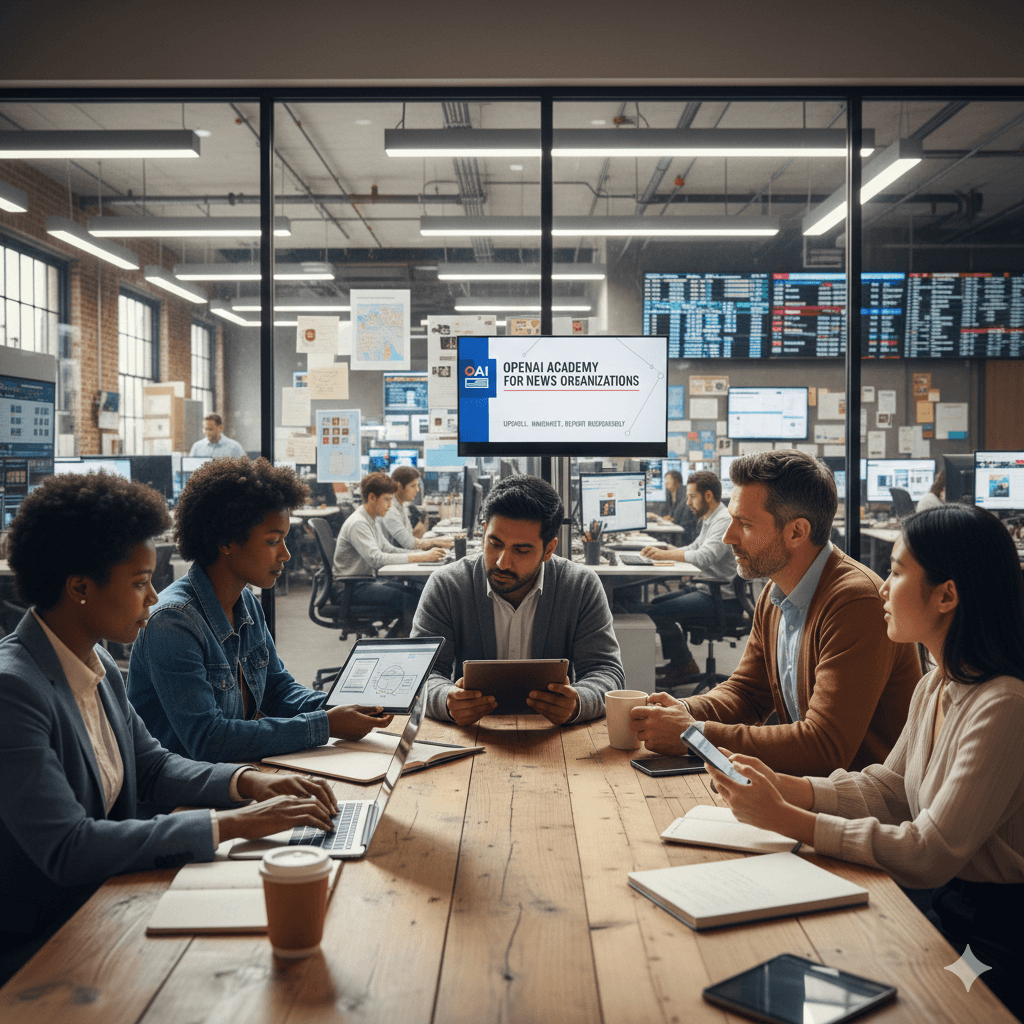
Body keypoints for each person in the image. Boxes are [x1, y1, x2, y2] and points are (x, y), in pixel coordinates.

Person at [0, 471, 338, 983]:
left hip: (112, 898)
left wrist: (249, 783)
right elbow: (69, 849)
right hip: (47, 941)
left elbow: (152, 766)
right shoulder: (14, 690)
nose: (154, 598)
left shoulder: (97, 665)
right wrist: (233, 823)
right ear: (80, 588)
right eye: (139, 583)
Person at [706, 504, 1024, 1019]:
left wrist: (788, 819)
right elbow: (890, 790)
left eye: (897, 572)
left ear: (947, 595)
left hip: (993, 939)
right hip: (948, 907)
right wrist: (786, 786)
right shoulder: (938, 683)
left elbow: (928, 852)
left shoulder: (1005, 705)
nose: (882, 586)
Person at [631, 450, 920, 776]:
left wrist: (694, 735)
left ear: (797, 532)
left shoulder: (855, 603)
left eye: (745, 525)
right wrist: (683, 710)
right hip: (810, 792)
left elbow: (824, 747)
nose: (729, 537)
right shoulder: (775, 591)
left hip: (860, 809)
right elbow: (747, 693)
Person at [128, 457, 391, 763]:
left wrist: (346, 704)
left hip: (237, 773)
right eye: (273, 541)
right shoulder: (173, 621)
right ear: (226, 541)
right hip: (185, 800)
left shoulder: (247, 602)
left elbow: (278, 692)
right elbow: (208, 739)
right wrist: (326, 724)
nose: (286, 554)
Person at [411, 474, 625, 726]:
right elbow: (421, 674)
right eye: (494, 543)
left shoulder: (581, 586)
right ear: (483, 532)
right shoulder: (447, 585)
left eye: (521, 550)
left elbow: (607, 672)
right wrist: (446, 700)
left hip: (553, 737)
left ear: (549, 549)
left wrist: (578, 701)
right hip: (472, 734)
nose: (502, 562)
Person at [638, 470, 737, 681]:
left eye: (692, 496)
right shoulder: (711, 518)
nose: (688, 502)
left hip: (720, 596)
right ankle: (681, 663)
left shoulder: (723, 520)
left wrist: (666, 554)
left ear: (708, 496)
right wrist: (667, 550)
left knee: (657, 612)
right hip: (707, 588)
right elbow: (695, 547)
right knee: (656, 604)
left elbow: (703, 557)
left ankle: (684, 664)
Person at [332, 472, 448, 634]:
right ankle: (400, 647)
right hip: (350, 588)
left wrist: (423, 556)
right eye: (387, 500)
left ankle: (401, 643)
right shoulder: (358, 523)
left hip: (361, 583)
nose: (390, 505)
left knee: (419, 593)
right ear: (372, 497)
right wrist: (420, 556)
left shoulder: (370, 519)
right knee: (412, 599)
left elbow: (388, 549)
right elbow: (377, 559)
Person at [379, 465, 452, 551]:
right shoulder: (390, 510)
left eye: (417, 485)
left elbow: (410, 538)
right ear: (399, 486)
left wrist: (439, 541)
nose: (417, 490)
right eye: (413, 486)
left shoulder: (401, 506)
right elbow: (409, 544)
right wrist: (435, 542)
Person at [647, 469, 699, 546]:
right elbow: (670, 516)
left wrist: (660, 517)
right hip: (676, 532)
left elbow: (681, 521)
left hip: (684, 536)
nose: (666, 483)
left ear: (677, 482)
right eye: (665, 481)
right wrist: (663, 518)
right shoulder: (670, 495)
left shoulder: (685, 497)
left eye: (668, 481)